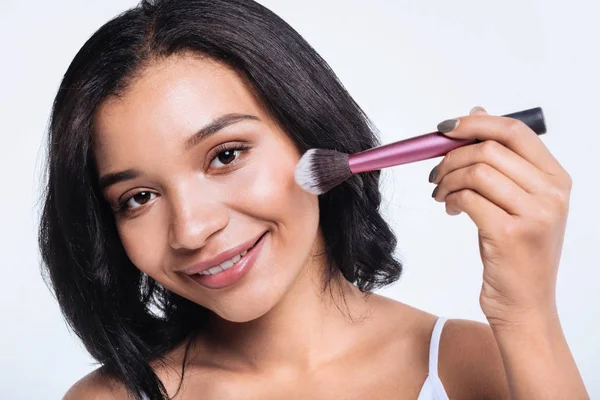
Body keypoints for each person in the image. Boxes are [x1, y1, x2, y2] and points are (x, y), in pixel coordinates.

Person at [39, 0, 589, 399]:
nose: (191, 229)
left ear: (311, 131)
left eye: (226, 155)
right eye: (137, 197)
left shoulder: (472, 366)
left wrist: (527, 315)